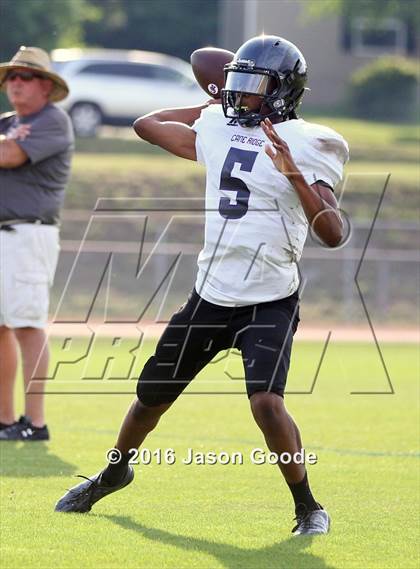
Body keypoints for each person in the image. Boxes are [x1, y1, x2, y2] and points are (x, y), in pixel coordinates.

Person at [55, 36, 349, 536]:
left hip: (269, 297)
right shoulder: (217, 123)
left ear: (282, 91)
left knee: (266, 403)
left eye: (251, 84)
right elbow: (146, 125)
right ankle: (113, 471)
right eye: (235, 82)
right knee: (149, 398)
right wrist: (213, 100)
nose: (239, 94)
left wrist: (293, 174)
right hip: (210, 293)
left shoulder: (311, 142)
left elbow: (334, 233)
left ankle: (308, 507)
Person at [0, 46, 74, 441]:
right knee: (0, 328)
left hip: (29, 233)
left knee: (28, 325)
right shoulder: (9, 121)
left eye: (25, 76)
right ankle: (6, 419)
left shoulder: (53, 120)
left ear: (46, 85)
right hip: (3, 236)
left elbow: (10, 155)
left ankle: (36, 422)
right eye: (11, 76)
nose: (15, 82)